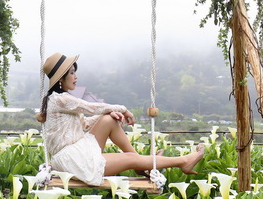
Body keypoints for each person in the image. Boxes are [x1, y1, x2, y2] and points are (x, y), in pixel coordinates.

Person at [38, 52, 204, 186]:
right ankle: (183, 161)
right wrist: (121, 109)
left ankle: (141, 164)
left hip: (76, 152)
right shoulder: (61, 99)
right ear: (60, 79)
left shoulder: (62, 100)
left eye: (75, 72)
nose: (76, 77)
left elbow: (87, 123)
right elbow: (93, 107)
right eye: (72, 73)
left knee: (109, 120)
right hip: (73, 160)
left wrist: (108, 114)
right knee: (130, 158)